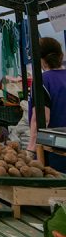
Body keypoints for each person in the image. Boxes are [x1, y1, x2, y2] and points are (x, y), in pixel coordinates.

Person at [28, 38, 66, 172]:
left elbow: (41, 118)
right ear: (61, 55)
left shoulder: (43, 80)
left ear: (41, 60)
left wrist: (31, 149)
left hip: (56, 150)